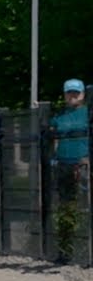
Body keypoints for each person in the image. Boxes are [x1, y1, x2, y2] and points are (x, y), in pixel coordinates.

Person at [49, 78, 89, 264]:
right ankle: (66, 252)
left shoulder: (88, 113)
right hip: (64, 167)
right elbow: (52, 137)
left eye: (76, 92)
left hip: (85, 167)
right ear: (64, 94)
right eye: (69, 92)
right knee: (66, 208)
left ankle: (87, 250)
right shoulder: (59, 116)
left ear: (83, 94)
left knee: (86, 207)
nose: (73, 95)